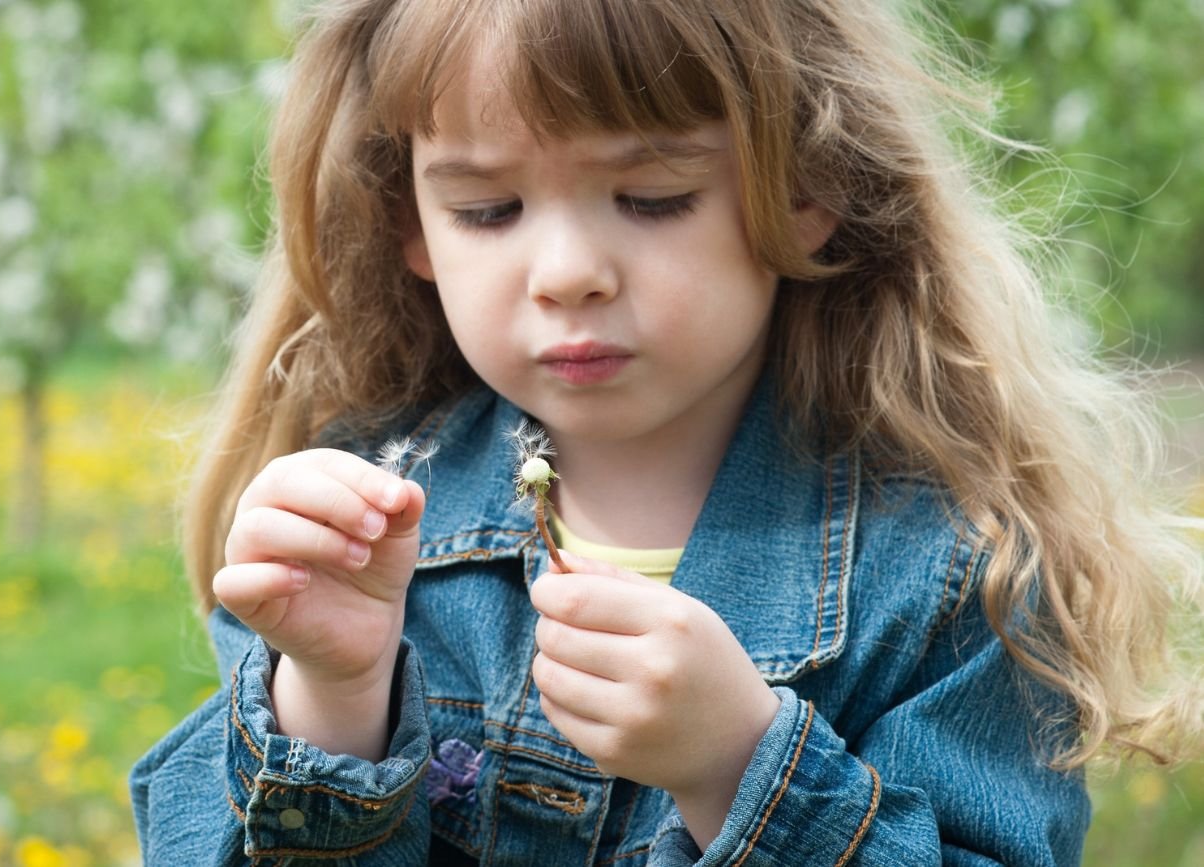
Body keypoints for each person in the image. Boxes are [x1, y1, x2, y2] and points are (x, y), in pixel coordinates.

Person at [130, 0, 1203, 863]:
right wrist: (332, 700)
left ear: (805, 189)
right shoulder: (355, 530)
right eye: (486, 211)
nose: (565, 274)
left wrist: (739, 767)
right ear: (409, 224)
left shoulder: (948, 568)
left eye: (650, 196)